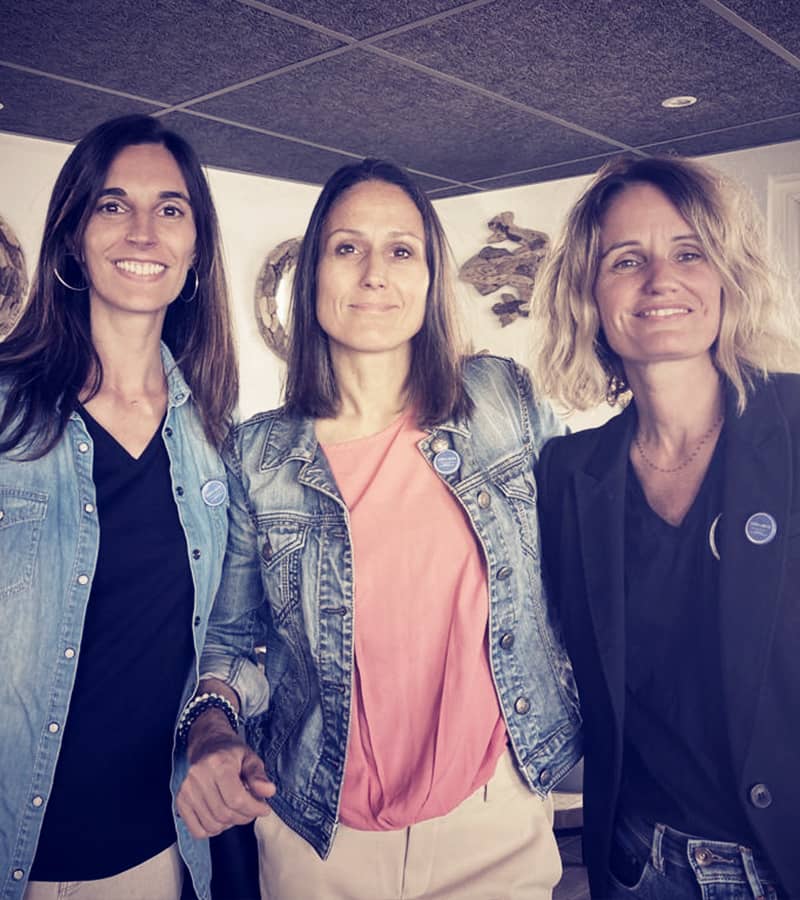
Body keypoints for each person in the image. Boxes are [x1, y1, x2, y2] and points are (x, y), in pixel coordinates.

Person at [175, 158, 581, 899]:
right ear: (313, 277)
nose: (374, 273)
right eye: (346, 247)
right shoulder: (257, 455)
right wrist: (210, 729)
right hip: (318, 844)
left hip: (493, 824)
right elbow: (228, 643)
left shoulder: (504, 403)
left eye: (401, 250)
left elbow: (590, 567)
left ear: (429, 279)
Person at [531, 153, 800, 899]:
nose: (660, 279)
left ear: (725, 277)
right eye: (626, 259)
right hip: (641, 864)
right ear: (591, 295)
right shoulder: (567, 473)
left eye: (689, 252)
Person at [0, 114, 238, 900]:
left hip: (152, 854)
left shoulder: (214, 440)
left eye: (171, 209)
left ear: (196, 245)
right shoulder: (7, 411)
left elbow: (225, 639)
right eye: (113, 205)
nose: (144, 230)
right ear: (72, 236)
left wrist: (216, 722)